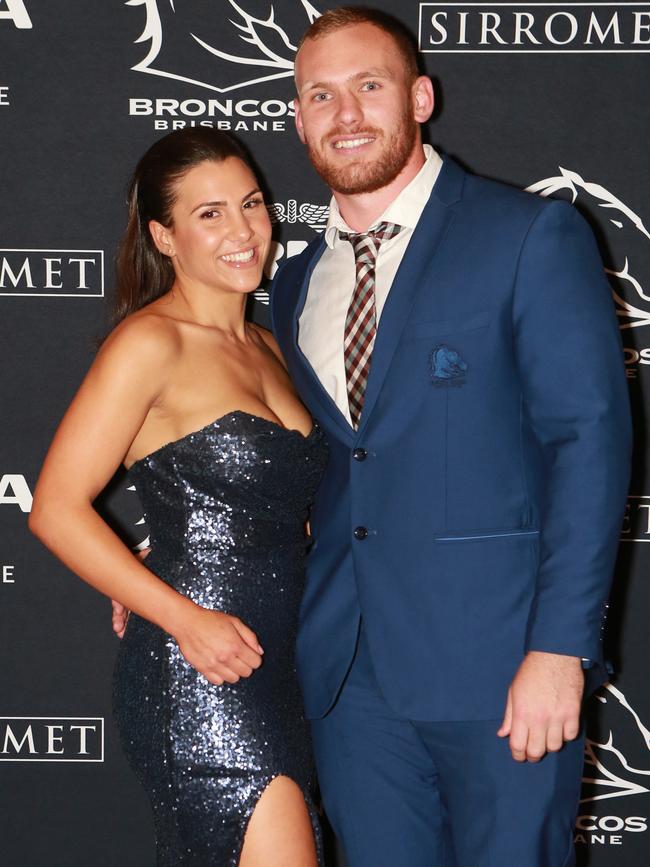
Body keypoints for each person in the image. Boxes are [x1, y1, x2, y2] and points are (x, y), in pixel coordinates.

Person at [270, 7, 630, 867]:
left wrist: (559, 648)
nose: (346, 114)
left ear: (420, 97)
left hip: (500, 665)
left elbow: (587, 442)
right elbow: (312, 466)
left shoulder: (526, 235)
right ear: (297, 117)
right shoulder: (293, 282)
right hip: (349, 676)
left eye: (370, 86)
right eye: (321, 94)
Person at [29, 128, 326, 867]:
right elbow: (55, 507)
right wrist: (181, 614)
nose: (243, 230)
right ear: (163, 235)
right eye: (210, 213)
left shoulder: (273, 347)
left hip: (286, 661)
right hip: (202, 671)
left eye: (252, 203)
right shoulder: (148, 343)